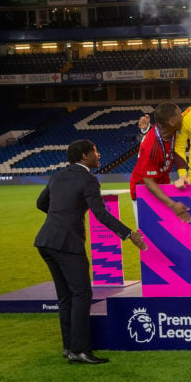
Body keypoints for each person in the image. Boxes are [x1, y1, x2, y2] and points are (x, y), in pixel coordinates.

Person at [34, 140, 148, 365]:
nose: (98, 155)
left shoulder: (57, 176)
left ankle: (69, 348)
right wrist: (129, 234)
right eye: (95, 152)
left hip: (45, 240)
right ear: (85, 155)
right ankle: (79, 350)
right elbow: (101, 214)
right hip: (68, 244)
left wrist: (63, 215)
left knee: (66, 297)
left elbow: (41, 203)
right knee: (81, 294)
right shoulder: (88, 179)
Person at [129, 102, 191, 222]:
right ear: (171, 122)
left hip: (163, 185)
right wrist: (172, 205)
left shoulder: (171, 130)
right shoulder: (150, 147)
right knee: (149, 236)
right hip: (143, 191)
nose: (182, 117)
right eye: (179, 115)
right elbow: (148, 182)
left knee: (172, 229)